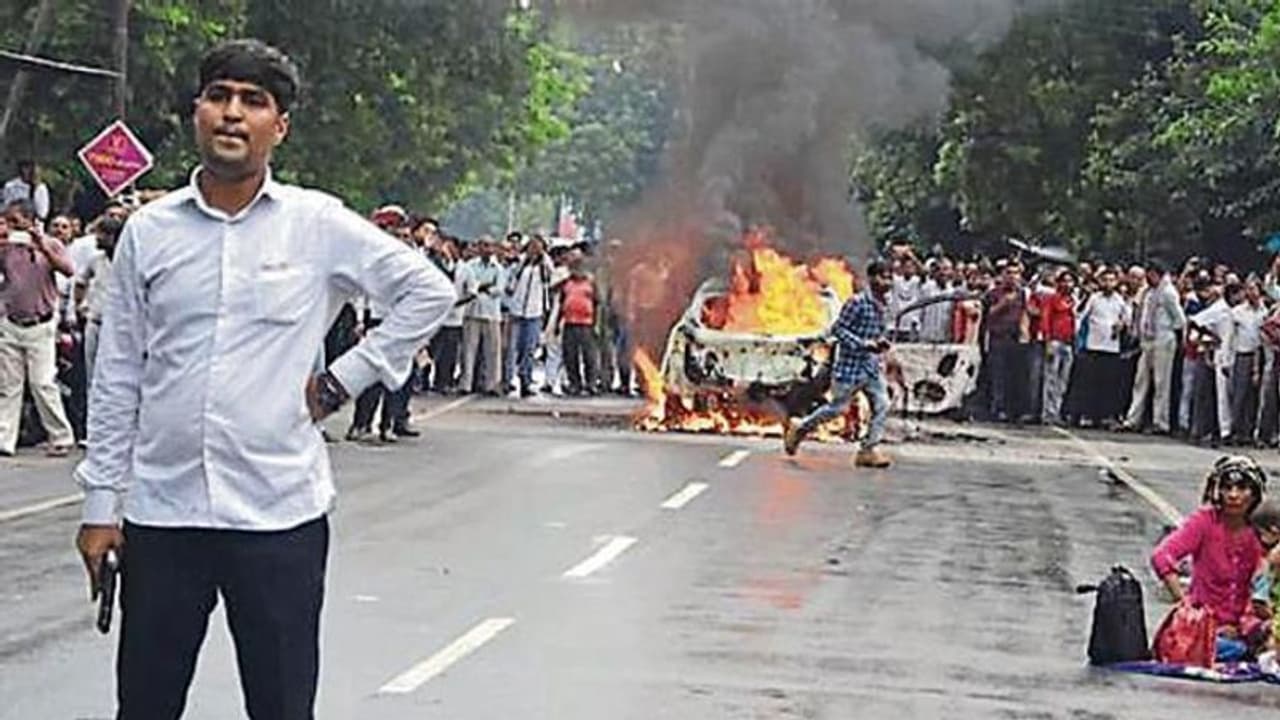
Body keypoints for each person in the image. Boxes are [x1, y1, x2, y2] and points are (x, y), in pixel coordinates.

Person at [73, 40, 455, 720]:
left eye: (254, 102)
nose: (232, 113)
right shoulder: (149, 233)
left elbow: (427, 291)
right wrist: (101, 505)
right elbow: (119, 373)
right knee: (145, 706)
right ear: (197, 112)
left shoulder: (316, 225)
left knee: (281, 707)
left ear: (279, 127)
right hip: (165, 516)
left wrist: (343, 380)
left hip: (279, 515)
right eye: (219, 95)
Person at [1152, 456, 1269, 658]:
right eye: (1227, 488)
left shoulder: (1262, 528)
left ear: (1254, 494)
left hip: (1250, 625)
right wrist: (1185, 605)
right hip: (1204, 626)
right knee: (1232, 650)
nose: (1233, 495)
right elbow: (1162, 556)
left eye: (1242, 489)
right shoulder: (1204, 522)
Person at [783, 259, 894, 469]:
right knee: (836, 409)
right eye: (882, 276)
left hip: (871, 367)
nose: (887, 281)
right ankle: (800, 429)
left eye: (889, 277)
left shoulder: (884, 306)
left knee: (882, 405)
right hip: (850, 368)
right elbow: (839, 330)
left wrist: (881, 345)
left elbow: (879, 333)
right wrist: (864, 344)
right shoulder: (857, 303)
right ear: (871, 279)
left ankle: (868, 449)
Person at [0, 198, 76, 457]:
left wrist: (40, 243)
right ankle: (4, 439)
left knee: (43, 382)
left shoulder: (50, 244)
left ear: (31, 221)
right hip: (11, 322)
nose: (12, 227)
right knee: (9, 385)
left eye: (16, 222)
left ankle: (61, 436)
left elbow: (68, 270)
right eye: (9, 222)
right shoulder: (6, 248)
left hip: (40, 323)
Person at [1123, 260, 1185, 434]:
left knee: (1161, 382)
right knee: (1140, 380)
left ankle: (1161, 421)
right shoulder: (1147, 292)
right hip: (1147, 339)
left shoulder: (1168, 292)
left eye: (1150, 274)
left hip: (1163, 339)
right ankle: (1133, 419)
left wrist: (1176, 338)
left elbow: (1179, 319)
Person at [1074, 268, 1131, 428]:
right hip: (1093, 345)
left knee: (1108, 384)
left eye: (1112, 280)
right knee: (1090, 383)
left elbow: (1127, 319)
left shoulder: (1120, 300)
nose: (1108, 284)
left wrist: (1121, 325)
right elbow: (1081, 315)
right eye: (1105, 280)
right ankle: (1088, 415)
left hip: (1111, 347)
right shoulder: (1094, 298)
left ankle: (1105, 416)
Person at [75, 216, 125, 389]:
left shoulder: (128, 261)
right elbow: (80, 282)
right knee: (92, 374)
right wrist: (79, 306)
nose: (97, 237)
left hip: (120, 327)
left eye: (102, 233)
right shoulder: (95, 260)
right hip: (95, 322)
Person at [506, 234, 553, 397]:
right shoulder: (521, 263)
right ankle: (509, 379)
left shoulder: (544, 264)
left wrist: (543, 256)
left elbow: (549, 278)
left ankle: (525, 379)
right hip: (517, 310)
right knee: (514, 347)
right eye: (532, 245)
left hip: (535, 311)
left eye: (538, 246)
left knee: (529, 348)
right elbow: (511, 282)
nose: (534, 249)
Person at [458, 236, 505, 395]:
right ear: (478, 248)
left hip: (492, 314)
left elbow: (498, 289)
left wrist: (482, 287)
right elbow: (470, 287)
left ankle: (492, 384)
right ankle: (466, 384)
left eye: (490, 246)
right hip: (472, 312)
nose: (487, 249)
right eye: (484, 246)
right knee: (468, 350)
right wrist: (483, 286)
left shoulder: (498, 268)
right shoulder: (470, 266)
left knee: (492, 351)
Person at [558, 258, 600, 396]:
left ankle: (590, 384)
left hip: (586, 324)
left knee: (589, 356)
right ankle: (574, 383)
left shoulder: (591, 283)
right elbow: (561, 302)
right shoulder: (567, 283)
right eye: (574, 267)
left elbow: (597, 303)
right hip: (570, 323)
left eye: (580, 267)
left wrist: (596, 324)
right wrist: (558, 322)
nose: (577, 270)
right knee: (570, 356)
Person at [1039, 269, 1076, 426]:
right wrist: (1047, 340)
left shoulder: (1073, 300)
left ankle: (1057, 411)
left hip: (1068, 343)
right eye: (1064, 281)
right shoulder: (1052, 299)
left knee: (1063, 381)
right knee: (1051, 379)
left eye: (1070, 281)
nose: (1067, 284)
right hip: (1055, 341)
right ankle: (1048, 413)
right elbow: (1045, 319)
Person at [2, 159, 51, 224]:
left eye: (31, 167)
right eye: (26, 167)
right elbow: (6, 206)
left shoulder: (40, 188)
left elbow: (42, 213)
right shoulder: (10, 186)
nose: (28, 171)